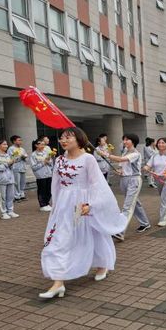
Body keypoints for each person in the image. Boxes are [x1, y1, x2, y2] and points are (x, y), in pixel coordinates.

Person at [39, 127, 126, 299]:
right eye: (62, 138)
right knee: (59, 239)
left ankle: (103, 264)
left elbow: (97, 184)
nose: (64, 140)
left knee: (93, 233)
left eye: (68, 137)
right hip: (64, 205)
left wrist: (92, 204)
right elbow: (55, 184)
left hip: (82, 204)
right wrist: (55, 203)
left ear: (79, 139)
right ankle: (58, 282)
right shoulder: (59, 161)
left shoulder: (88, 159)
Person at [100, 133, 151, 240]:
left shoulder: (136, 153)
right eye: (124, 139)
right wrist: (120, 171)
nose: (124, 141)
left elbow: (120, 160)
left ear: (133, 141)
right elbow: (122, 166)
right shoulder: (125, 152)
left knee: (127, 207)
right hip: (124, 180)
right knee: (135, 203)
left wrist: (107, 155)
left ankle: (120, 231)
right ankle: (145, 223)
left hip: (134, 180)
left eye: (127, 140)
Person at [0, 139, 19, 220]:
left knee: (10, 196)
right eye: (4, 144)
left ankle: (10, 210)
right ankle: (3, 212)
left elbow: (10, 167)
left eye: (6, 144)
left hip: (10, 178)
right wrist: (8, 164)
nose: (6, 146)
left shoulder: (7, 155)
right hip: (1, 179)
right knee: (2, 197)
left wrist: (12, 163)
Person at [31, 139, 54, 212]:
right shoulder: (33, 155)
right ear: (36, 145)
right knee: (42, 190)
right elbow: (34, 167)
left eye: (44, 144)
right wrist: (43, 162)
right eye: (41, 144)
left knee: (48, 190)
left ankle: (47, 203)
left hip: (48, 174)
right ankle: (42, 205)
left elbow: (51, 163)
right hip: (40, 175)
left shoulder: (46, 153)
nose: (43, 146)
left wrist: (49, 161)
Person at [8, 135, 29, 202]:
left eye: (21, 140)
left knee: (22, 181)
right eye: (19, 140)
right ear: (14, 141)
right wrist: (20, 157)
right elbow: (11, 159)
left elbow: (26, 157)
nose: (20, 142)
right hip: (15, 167)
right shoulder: (11, 149)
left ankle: (22, 194)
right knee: (16, 182)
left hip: (22, 166)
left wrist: (25, 157)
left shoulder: (22, 149)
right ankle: (16, 196)